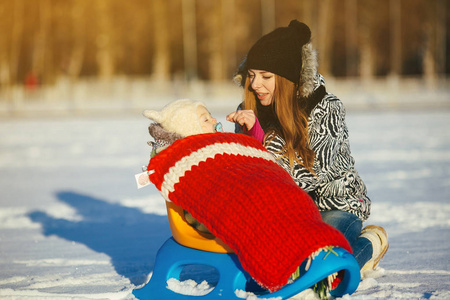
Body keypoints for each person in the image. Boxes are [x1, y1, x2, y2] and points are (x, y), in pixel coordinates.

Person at [227, 20, 388, 278]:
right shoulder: (249, 109)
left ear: (288, 78)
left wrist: (258, 136)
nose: (255, 84)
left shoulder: (327, 108)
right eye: (251, 75)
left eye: (266, 76)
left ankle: (369, 243)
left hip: (334, 204)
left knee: (320, 273)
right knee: (271, 268)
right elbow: (246, 173)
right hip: (287, 211)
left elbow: (308, 176)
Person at [143, 99, 222, 234]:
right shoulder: (187, 158)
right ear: (190, 128)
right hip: (201, 215)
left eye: (210, 115)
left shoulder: (218, 146)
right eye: (206, 120)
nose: (214, 120)